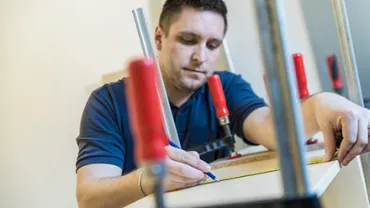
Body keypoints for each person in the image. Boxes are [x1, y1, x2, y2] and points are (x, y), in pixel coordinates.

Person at [75, 0, 370, 207]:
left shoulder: (226, 85)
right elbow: (89, 197)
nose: (201, 57)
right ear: (159, 37)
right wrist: (145, 180)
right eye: (188, 40)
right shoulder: (108, 102)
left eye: (212, 45)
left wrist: (323, 103)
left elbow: (274, 129)